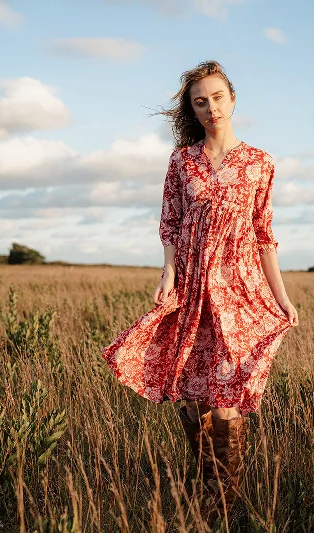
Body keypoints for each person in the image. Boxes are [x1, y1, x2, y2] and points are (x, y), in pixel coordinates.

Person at [101, 60, 299, 525]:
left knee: (227, 391)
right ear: (193, 109)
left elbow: (263, 234)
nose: (211, 107)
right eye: (200, 101)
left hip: (240, 287)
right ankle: (208, 480)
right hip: (192, 286)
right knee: (193, 393)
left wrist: (283, 297)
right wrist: (168, 274)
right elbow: (169, 223)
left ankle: (222, 505)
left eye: (217, 97)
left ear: (233, 99)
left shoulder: (260, 163)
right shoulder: (182, 161)